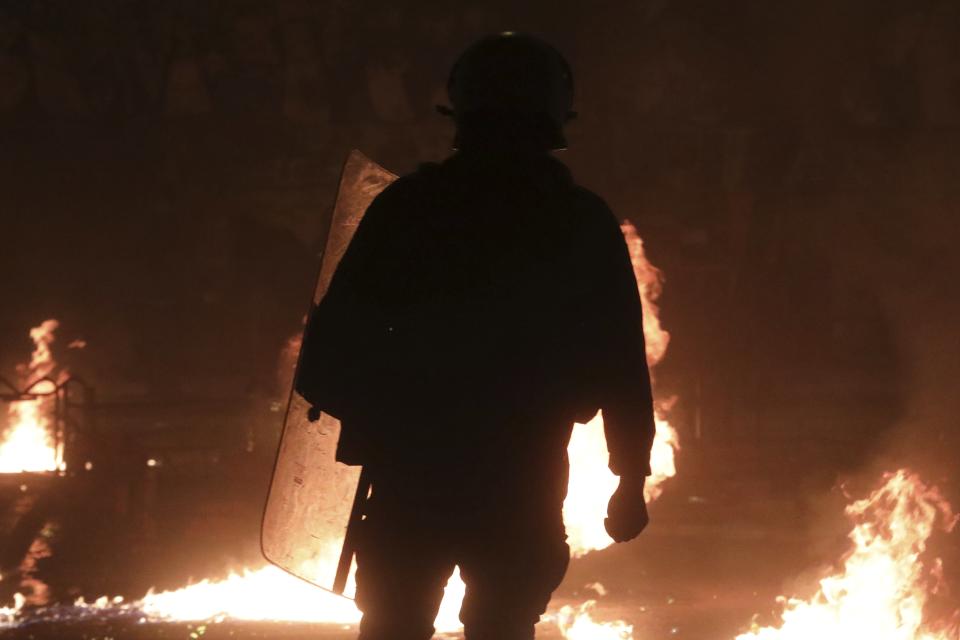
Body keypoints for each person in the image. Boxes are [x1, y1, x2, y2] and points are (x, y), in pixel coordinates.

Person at [297, 32, 656, 640]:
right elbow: (619, 357)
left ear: (461, 113)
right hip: (519, 479)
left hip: (412, 474)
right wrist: (630, 477)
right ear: (553, 116)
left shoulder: (407, 210)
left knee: (394, 623)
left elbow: (331, 350)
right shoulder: (579, 222)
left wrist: (381, 415)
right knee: (501, 626)